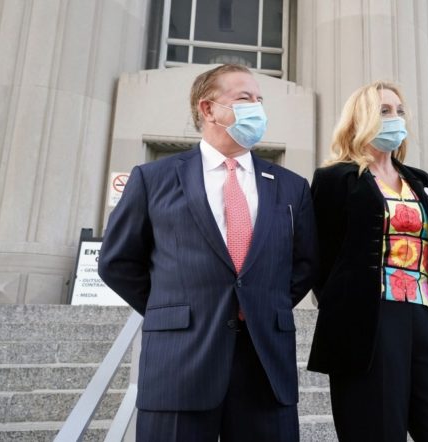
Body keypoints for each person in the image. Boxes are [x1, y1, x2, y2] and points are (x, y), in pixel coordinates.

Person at [98, 64, 317, 442]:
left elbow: (306, 263)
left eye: (260, 100)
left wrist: (262, 302)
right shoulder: (154, 179)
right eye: (244, 99)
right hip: (180, 363)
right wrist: (174, 306)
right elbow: (117, 261)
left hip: (265, 364)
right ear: (208, 108)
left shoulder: (291, 187)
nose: (257, 108)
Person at [307, 81, 428, 442]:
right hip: (369, 321)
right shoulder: (335, 179)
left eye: (399, 110)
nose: (395, 118)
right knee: (376, 430)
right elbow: (318, 257)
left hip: (427, 315)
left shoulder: (422, 182)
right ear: (361, 119)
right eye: (384, 110)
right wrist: (345, 306)